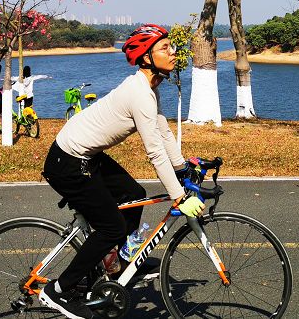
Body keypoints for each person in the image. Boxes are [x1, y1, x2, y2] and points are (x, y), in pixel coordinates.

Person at [39, 24, 206, 319]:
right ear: (146, 58)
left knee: (134, 194)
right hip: (67, 162)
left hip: (87, 156)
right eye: (165, 48)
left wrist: (183, 167)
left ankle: (121, 260)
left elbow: (163, 131)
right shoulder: (139, 93)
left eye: (172, 46)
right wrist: (178, 196)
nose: (173, 52)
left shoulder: (149, 90)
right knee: (111, 227)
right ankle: (58, 291)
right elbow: (154, 151)